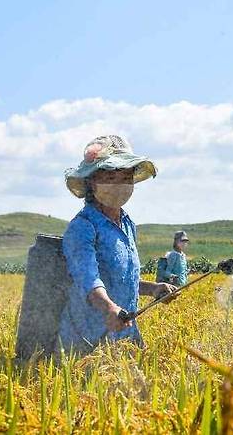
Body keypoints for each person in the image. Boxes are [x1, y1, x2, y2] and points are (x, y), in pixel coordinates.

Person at [58, 135, 177, 355]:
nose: (120, 185)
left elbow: (122, 279)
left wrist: (154, 289)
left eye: (126, 177)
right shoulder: (83, 227)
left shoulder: (127, 223)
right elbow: (89, 280)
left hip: (125, 333)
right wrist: (109, 308)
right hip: (88, 339)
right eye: (111, 177)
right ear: (92, 183)